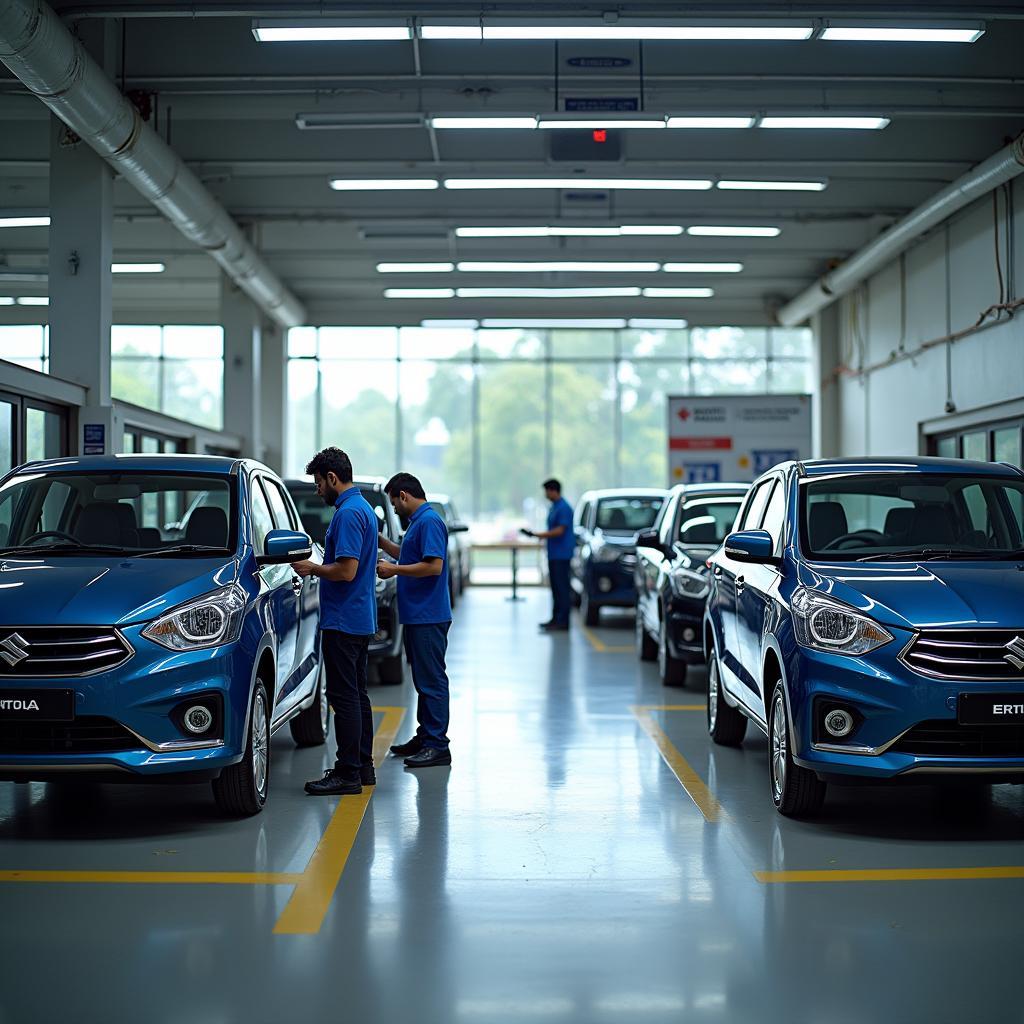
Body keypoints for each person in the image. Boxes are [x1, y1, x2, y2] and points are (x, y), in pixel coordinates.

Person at [292, 447, 379, 796]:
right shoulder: (365, 510)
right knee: (357, 696)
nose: (317, 490)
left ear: (332, 478)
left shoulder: (347, 514)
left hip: (343, 620)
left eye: (318, 483)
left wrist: (312, 568)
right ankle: (363, 767)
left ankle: (347, 772)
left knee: (343, 698)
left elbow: (346, 570)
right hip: (358, 617)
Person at [377, 473, 453, 768]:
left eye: (394, 503)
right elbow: (410, 556)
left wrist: (395, 571)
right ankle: (426, 736)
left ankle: (437, 745)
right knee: (423, 680)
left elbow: (433, 567)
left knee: (432, 680)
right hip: (418, 615)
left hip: (428, 616)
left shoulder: (430, 522)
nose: (395, 508)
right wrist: (382, 542)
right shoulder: (418, 524)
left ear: (404, 496)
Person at [522, 478, 574, 632]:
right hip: (554, 554)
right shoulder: (555, 507)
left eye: (547, 491)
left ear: (553, 490)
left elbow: (560, 530)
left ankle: (563, 620)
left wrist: (538, 534)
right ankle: (556, 618)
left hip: (562, 555)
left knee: (562, 588)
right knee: (556, 588)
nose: (545, 494)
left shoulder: (564, 508)